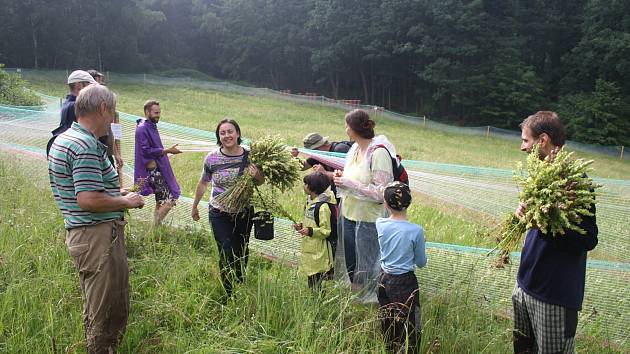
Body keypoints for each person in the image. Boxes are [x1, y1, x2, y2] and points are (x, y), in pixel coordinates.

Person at [47, 84, 144, 353]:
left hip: (86, 236)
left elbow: (87, 189)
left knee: (96, 303)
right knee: (107, 308)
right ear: (103, 108)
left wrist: (114, 192)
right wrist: (126, 200)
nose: (113, 118)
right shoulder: (85, 145)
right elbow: (88, 199)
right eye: (112, 111)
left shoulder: (66, 139)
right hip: (97, 236)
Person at [512, 111, 598, 353]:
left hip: (553, 296)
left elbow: (588, 238)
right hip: (525, 286)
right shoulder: (539, 174)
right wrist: (525, 212)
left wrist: (546, 226)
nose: (522, 148)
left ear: (543, 140)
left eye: (525, 140)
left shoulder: (575, 181)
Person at [191, 118, 264, 298]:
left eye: (230, 131)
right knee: (226, 249)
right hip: (219, 211)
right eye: (222, 133)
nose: (226, 136)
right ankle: (228, 292)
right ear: (218, 137)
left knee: (242, 249)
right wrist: (195, 206)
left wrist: (257, 175)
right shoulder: (212, 158)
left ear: (238, 133)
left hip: (244, 212)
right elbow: (203, 183)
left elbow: (261, 182)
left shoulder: (251, 155)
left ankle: (239, 280)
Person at [333, 109, 395, 303]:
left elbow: (382, 192)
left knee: (366, 264)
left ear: (355, 129)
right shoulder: (354, 150)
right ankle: (356, 298)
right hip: (349, 215)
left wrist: (351, 184)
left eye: (348, 126)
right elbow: (353, 178)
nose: (346, 129)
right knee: (352, 261)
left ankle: (370, 298)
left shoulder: (379, 153)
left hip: (368, 219)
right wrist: (341, 178)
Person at [376, 182, 426, 354]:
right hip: (406, 282)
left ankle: (390, 349)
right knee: (411, 323)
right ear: (409, 202)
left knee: (387, 320)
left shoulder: (380, 224)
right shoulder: (416, 231)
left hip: (383, 279)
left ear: (386, 204)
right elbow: (421, 262)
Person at [134, 100, 181, 225]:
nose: (158, 115)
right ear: (147, 112)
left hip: (158, 169)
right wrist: (167, 151)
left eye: (159, 113)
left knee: (160, 200)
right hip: (154, 172)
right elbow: (146, 151)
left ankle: (156, 229)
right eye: (155, 113)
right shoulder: (142, 128)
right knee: (170, 199)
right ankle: (152, 229)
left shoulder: (150, 125)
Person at [292, 171, 336, 291]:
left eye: (306, 184)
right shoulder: (310, 202)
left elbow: (326, 231)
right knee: (312, 276)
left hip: (319, 249)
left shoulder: (323, 207)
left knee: (316, 277)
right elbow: (311, 222)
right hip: (309, 246)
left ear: (313, 187)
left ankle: (318, 300)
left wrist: (310, 231)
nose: (304, 186)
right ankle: (316, 298)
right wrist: (301, 226)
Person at [46, 70, 97, 155]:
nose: (93, 90)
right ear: (79, 85)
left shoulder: (68, 103)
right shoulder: (77, 106)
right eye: (90, 85)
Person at [291, 133, 352, 200]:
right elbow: (303, 166)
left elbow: (351, 174)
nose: (312, 153)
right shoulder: (319, 154)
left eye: (313, 150)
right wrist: (293, 157)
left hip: (351, 194)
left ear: (322, 145)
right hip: (339, 193)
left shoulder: (340, 150)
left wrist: (324, 173)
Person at [88, 70, 123, 175]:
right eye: (97, 81)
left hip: (107, 155)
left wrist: (116, 154)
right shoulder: (88, 109)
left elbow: (109, 131)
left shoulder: (107, 112)